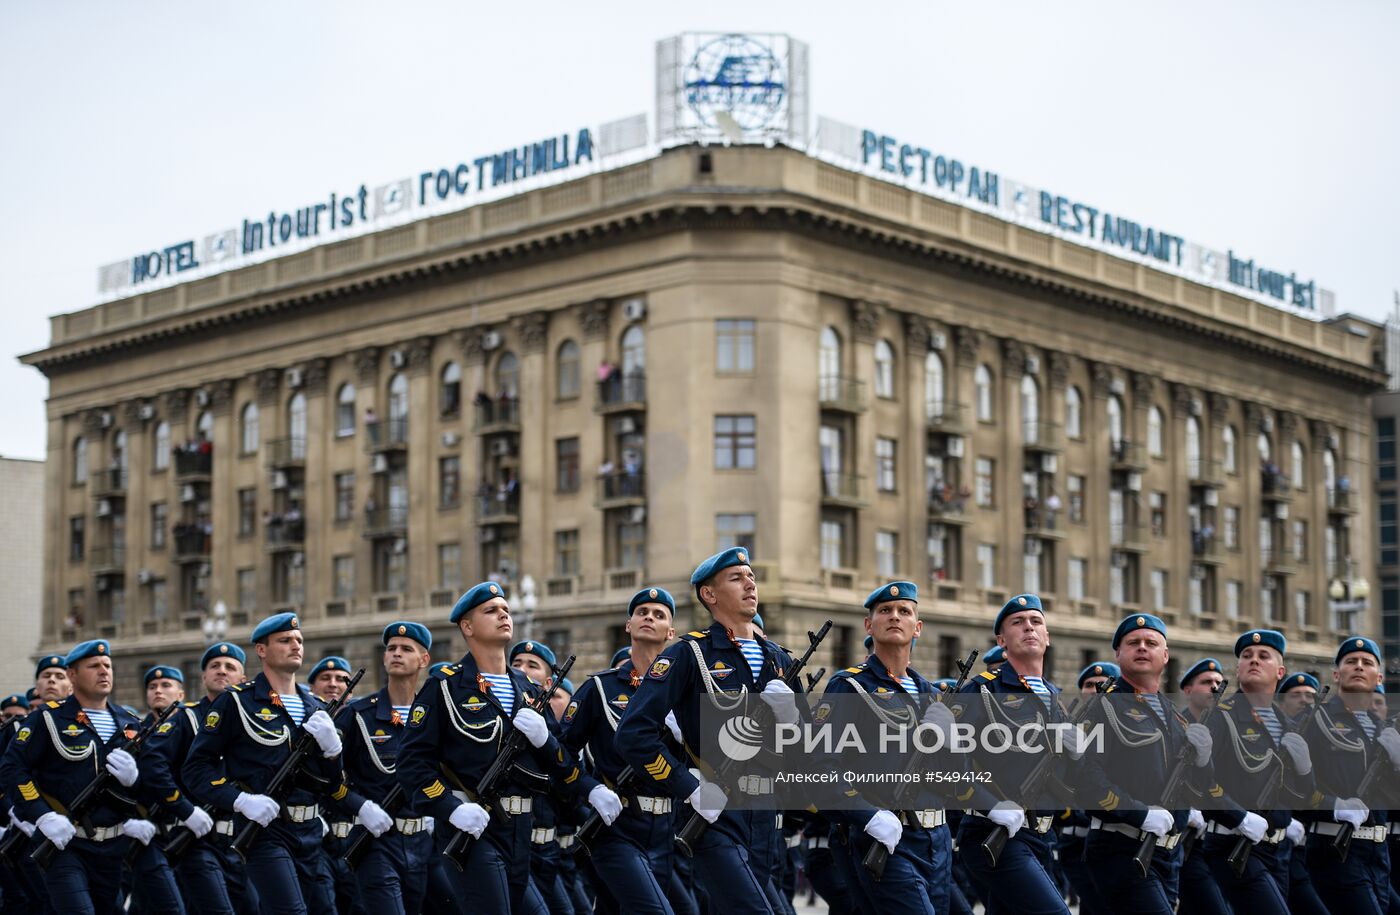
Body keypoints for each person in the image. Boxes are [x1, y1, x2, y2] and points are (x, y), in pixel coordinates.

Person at [397, 581, 616, 914]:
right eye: (491, 611)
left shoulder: (527, 689)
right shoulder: (445, 687)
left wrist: (584, 783)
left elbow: (562, 764)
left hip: (520, 830)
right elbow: (412, 763)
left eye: (506, 610)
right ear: (467, 627)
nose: (503, 615)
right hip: (473, 827)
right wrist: (450, 808)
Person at [615, 548, 802, 915]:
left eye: (751, 576)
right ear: (710, 595)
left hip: (765, 813)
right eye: (736, 577)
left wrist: (794, 719)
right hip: (715, 814)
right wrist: (689, 786)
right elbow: (633, 734)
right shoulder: (689, 653)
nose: (749, 583)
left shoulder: (781, 660)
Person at [184, 613, 345, 915]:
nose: (295, 646)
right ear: (261, 650)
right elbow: (196, 769)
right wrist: (241, 800)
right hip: (265, 830)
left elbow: (333, 784)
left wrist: (333, 753)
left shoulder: (317, 707)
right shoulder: (236, 702)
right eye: (285, 641)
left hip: (310, 832)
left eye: (298, 640)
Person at [818, 581, 959, 915]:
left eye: (904, 611)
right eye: (885, 611)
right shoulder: (849, 686)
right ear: (869, 625)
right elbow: (821, 768)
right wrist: (868, 817)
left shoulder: (932, 695)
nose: (894, 616)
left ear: (918, 627)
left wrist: (953, 743)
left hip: (937, 841)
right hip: (885, 838)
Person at [0, 640, 154, 914]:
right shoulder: (47, 719)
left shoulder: (129, 721)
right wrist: (42, 815)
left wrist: (135, 780)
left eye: (107, 665)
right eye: (94, 666)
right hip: (64, 844)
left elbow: (154, 780)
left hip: (114, 846)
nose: (104, 671)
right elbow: (13, 768)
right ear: (73, 675)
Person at [1078, 614, 1215, 914]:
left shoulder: (1174, 716)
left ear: (1165, 656)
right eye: (1133, 643)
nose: (1142, 647)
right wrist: (1138, 813)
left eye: (1151, 643)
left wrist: (1204, 762)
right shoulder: (1102, 707)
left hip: (1168, 857)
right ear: (1118, 653)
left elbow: (1195, 789)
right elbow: (1087, 781)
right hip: (1122, 851)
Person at [948, 594, 1072, 915]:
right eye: (1018, 623)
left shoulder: (1056, 698)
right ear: (1002, 640)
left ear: (1047, 636)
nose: (1029, 627)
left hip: (1041, 837)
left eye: (1036, 622)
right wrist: (990, 804)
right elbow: (948, 763)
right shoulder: (981, 690)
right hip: (994, 834)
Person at [561, 587, 681, 915]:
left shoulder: (682, 692)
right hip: (617, 825)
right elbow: (561, 752)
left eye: (659, 615)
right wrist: (590, 788)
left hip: (664, 828)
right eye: (642, 612)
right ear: (629, 625)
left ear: (670, 632)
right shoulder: (600, 688)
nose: (649, 618)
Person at [1200, 631, 1312, 913]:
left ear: (1280, 671)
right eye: (1247, 656)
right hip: (1235, 843)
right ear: (1237, 669)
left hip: (1278, 849)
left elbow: (1303, 795)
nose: (1254, 661)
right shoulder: (1221, 716)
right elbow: (1200, 781)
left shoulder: (1286, 724)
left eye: (1264, 656)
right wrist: (1238, 817)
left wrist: (1305, 768)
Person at [141, 643, 254, 915]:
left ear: (242, 678)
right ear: (203, 677)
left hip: (243, 838)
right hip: (198, 837)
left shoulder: (252, 721)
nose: (221, 671)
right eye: (214, 666)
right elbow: (153, 764)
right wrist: (185, 808)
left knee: (251, 908)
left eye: (230, 667)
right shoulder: (186, 719)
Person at [334, 622, 433, 915]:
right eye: (391, 649)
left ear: (424, 660)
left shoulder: (432, 713)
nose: (396, 654)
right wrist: (359, 806)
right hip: (375, 840)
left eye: (406, 649)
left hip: (421, 842)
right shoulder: (358, 715)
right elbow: (325, 777)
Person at [1295, 637, 1400, 911]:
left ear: (1378, 676)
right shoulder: (1315, 720)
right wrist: (1334, 806)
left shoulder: (1381, 729)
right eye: (1351, 661)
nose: (1358, 666)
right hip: (1335, 850)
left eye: (1367, 663)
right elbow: (1290, 789)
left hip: (1379, 854)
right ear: (1337, 674)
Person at [509, 639, 578, 915]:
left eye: (532, 665)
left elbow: (566, 774)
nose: (522, 669)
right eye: (516, 664)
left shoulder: (548, 723)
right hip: (516, 842)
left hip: (548, 847)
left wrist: (545, 741)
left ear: (549, 683)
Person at [125, 666, 191, 915]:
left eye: (166, 686)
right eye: (152, 687)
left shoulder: (191, 725)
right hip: (147, 830)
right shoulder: (135, 732)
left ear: (181, 694)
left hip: (183, 828)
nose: (158, 691)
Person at [306, 656, 362, 915]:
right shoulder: (305, 723)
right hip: (319, 836)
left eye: (341, 679)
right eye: (325, 678)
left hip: (355, 836)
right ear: (312, 687)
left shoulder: (362, 721)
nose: (333, 684)